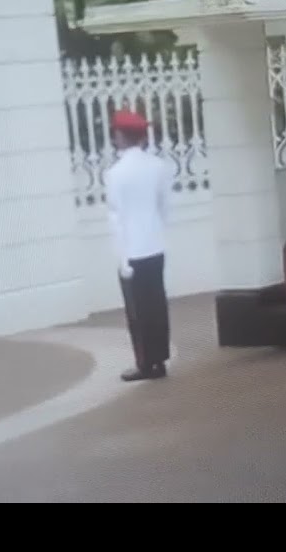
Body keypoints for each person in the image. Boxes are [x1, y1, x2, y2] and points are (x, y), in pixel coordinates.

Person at [104, 109, 175, 383]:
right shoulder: (157, 167)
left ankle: (146, 362)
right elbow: (165, 207)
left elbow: (116, 218)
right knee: (157, 305)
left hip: (132, 250)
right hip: (155, 245)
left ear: (120, 136)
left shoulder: (115, 174)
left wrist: (121, 259)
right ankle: (161, 359)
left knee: (138, 312)